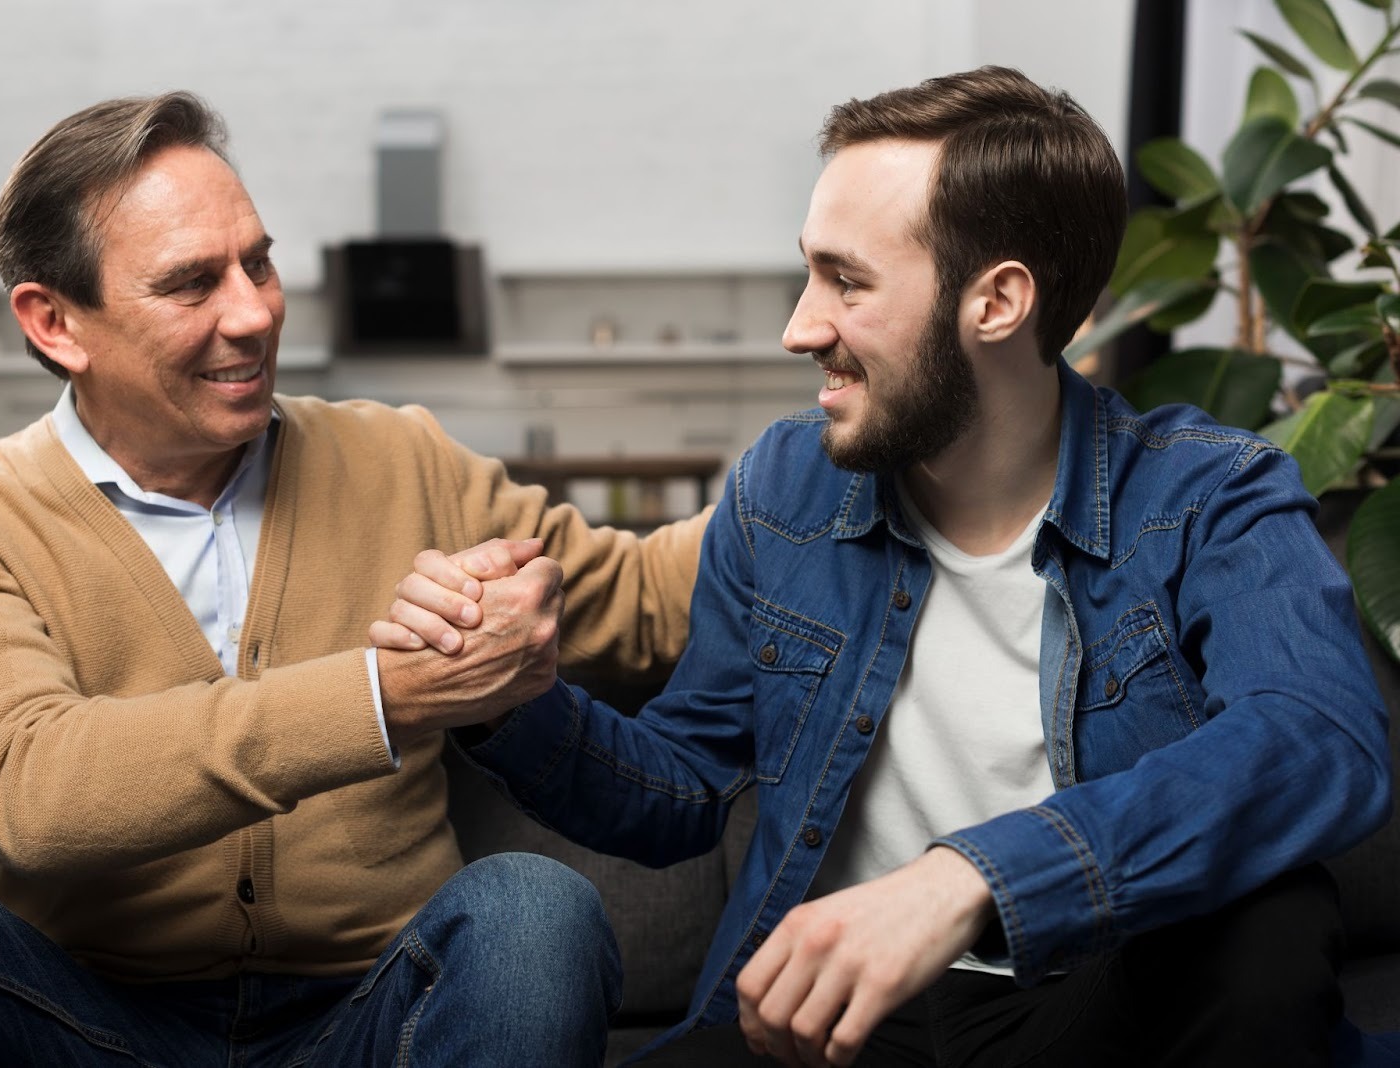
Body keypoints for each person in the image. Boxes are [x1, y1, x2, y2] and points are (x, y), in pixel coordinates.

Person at [390, 67, 1392, 1066]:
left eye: (845, 281)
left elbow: (1318, 736)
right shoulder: (783, 488)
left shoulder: (1208, 494)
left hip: (1098, 1004)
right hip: (839, 1031)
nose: (798, 326)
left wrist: (972, 880)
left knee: (1265, 919)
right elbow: (682, 790)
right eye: (807, 273)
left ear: (995, 302)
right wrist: (509, 700)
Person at [0, 91, 706, 1066]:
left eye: (259, 263)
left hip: (372, 1018)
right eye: (192, 284)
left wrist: (842, 458)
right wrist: (382, 696)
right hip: (82, 1026)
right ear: (55, 322)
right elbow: (37, 793)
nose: (254, 312)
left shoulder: (401, 459)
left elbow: (649, 599)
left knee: (536, 909)